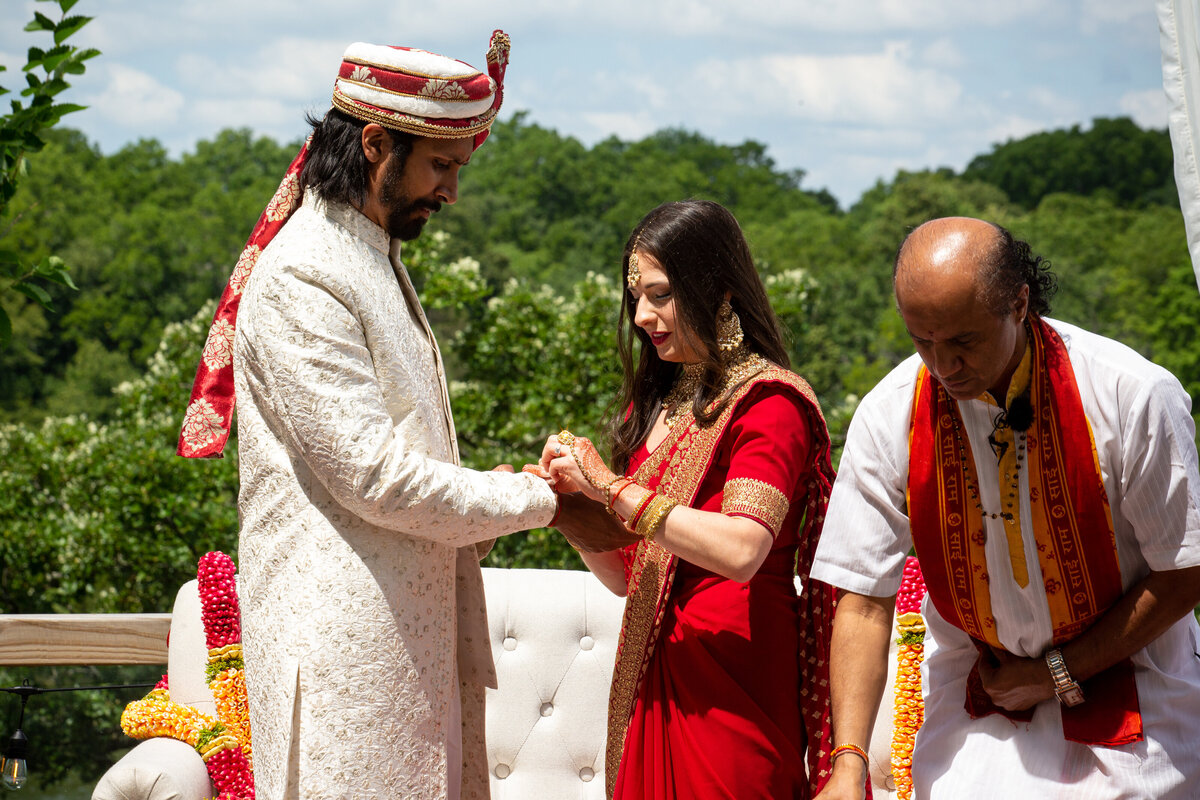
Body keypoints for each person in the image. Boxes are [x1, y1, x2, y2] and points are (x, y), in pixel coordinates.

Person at [176, 34, 560, 800]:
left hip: (398, 654)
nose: (451, 191)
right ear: (377, 144)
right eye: (441, 165)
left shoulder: (367, 255)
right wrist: (540, 497)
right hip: (340, 660)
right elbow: (373, 477)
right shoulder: (306, 273)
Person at [811, 217, 1200, 799]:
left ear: (1020, 303)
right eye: (922, 341)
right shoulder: (890, 411)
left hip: (1137, 695)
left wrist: (1053, 675)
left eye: (963, 342)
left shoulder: (1131, 393)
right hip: (976, 707)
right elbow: (864, 598)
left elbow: (1185, 571)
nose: (942, 367)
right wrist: (846, 768)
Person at [534, 200, 837, 799]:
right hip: (654, 668)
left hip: (735, 680)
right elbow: (630, 576)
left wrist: (613, 487)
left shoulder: (769, 404)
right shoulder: (659, 405)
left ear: (719, 289)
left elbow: (744, 548)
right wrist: (566, 509)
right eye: (637, 298)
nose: (644, 315)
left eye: (662, 294)